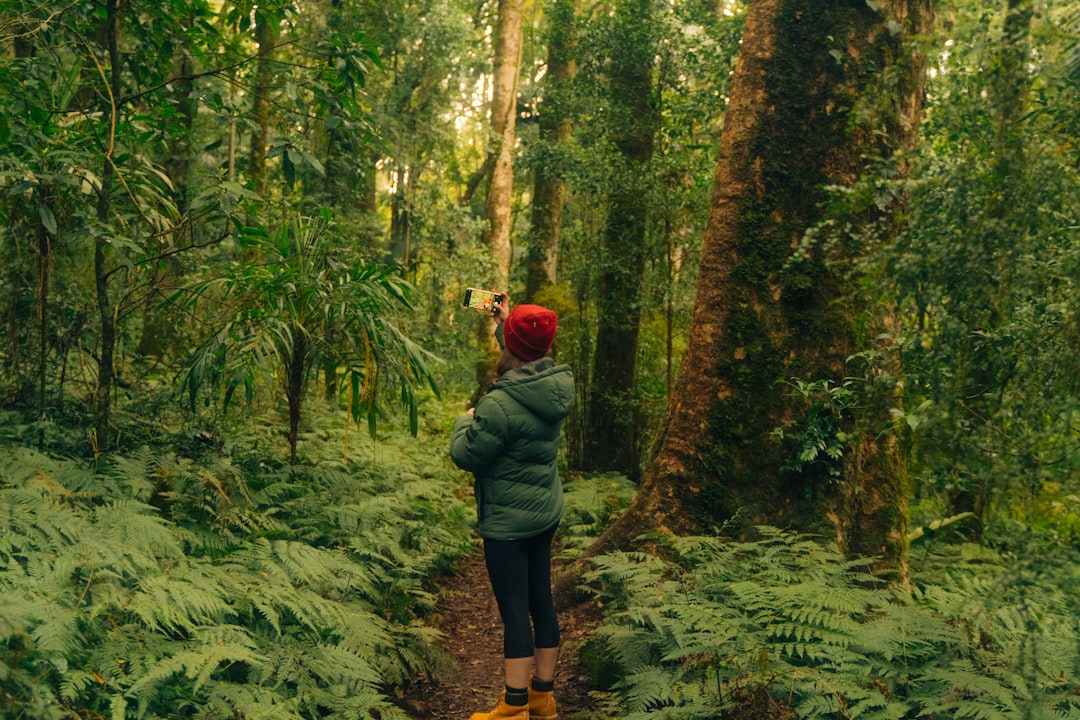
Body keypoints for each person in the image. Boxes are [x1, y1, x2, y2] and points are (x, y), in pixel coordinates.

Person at [450, 295, 575, 720]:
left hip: (507, 522)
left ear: (510, 348)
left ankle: (514, 708)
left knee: (515, 613)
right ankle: (543, 697)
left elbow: (468, 456)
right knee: (542, 600)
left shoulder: (499, 404)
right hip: (544, 512)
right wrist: (507, 320)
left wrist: (465, 420)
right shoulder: (555, 384)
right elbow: (529, 351)